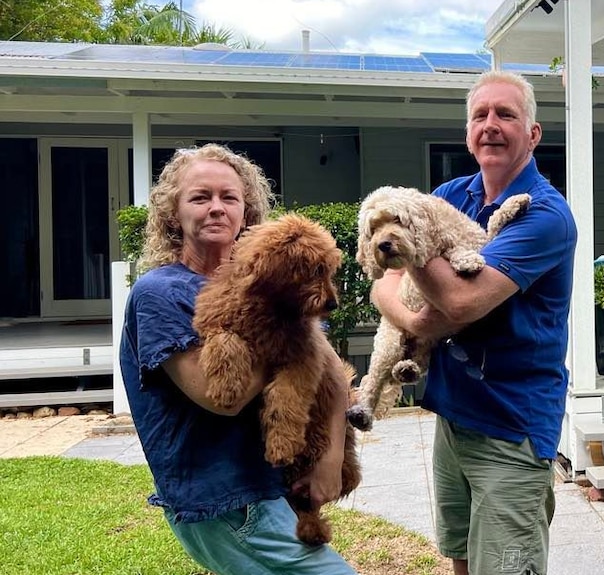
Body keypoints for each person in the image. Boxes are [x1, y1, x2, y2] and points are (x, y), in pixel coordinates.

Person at [372, 70, 576, 575]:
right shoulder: (451, 195)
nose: (490, 125)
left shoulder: (544, 215)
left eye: (506, 114)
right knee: (461, 559)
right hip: (454, 414)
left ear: (533, 133)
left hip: (512, 425)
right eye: (480, 115)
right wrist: (419, 318)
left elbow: (462, 302)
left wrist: (412, 309)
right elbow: (381, 282)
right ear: (467, 133)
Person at [119, 143, 356, 575]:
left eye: (229, 197)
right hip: (227, 499)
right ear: (174, 212)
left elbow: (331, 375)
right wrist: (285, 330)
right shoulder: (160, 293)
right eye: (200, 197)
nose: (216, 208)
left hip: (274, 489)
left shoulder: (281, 289)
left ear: (246, 211)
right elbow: (222, 397)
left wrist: (330, 460)